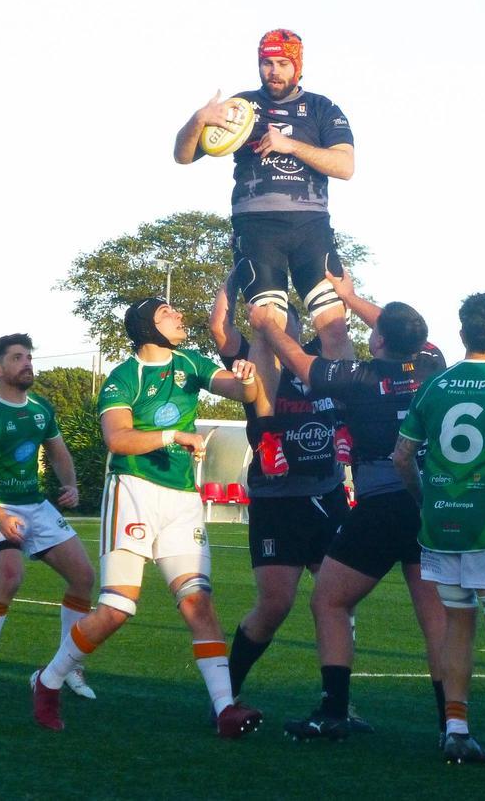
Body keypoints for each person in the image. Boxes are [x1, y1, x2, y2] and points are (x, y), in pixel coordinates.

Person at [32, 298, 263, 737]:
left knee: (198, 603)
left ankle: (224, 708)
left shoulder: (190, 363)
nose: (179, 316)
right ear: (147, 327)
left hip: (181, 500)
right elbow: (117, 439)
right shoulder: (123, 377)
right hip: (133, 492)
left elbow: (240, 391)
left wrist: (249, 382)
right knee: (117, 608)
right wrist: (172, 434)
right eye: (167, 313)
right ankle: (48, 680)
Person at [248, 269, 448, 742]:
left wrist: (268, 326)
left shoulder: (359, 377)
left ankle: (334, 710)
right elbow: (403, 328)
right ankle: (452, 724)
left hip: (382, 504)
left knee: (329, 600)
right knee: (436, 620)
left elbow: (300, 365)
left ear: (377, 342)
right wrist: (351, 298)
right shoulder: (431, 363)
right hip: (430, 506)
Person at [392, 292, 485, 767]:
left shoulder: (434, 386)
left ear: (461, 332)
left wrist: (424, 499)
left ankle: (456, 730)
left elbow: (401, 457)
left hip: (440, 526)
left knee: (457, 624)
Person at [207, 278, 351, 704]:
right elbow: (219, 330)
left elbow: (337, 340)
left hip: (326, 493)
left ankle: (337, 704)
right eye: (268, 313)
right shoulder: (253, 360)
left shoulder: (313, 359)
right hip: (276, 499)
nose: (275, 318)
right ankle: (226, 694)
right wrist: (234, 281)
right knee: (275, 604)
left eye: (283, 312)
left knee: (338, 600)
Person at [173, 28, 355, 364]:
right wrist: (199, 120)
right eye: (267, 63)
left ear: (297, 66)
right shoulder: (240, 107)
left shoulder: (321, 108)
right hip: (256, 226)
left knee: (334, 327)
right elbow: (182, 156)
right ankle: (267, 416)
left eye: (283, 63)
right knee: (269, 328)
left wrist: (291, 146)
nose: (274, 71)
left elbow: (345, 166)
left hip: (310, 225)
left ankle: (345, 414)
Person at [0, 333, 98, 703]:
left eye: (29, 357)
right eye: (18, 357)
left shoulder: (41, 409)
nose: (27, 363)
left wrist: (70, 485)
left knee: (83, 578)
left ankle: (65, 669)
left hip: (36, 505)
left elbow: (59, 453)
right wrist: (1, 517)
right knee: (10, 576)